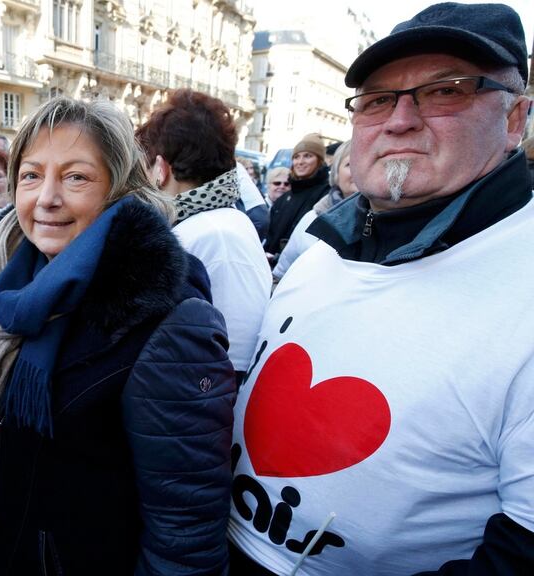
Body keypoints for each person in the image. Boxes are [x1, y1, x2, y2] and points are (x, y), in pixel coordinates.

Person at [228, 3, 534, 575]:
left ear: (515, 119)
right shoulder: (322, 246)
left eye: (446, 92)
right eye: (376, 100)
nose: (399, 120)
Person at [0, 97, 236, 574]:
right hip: (3, 541)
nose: (46, 198)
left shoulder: (165, 315)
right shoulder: (3, 276)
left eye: (76, 177)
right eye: (31, 175)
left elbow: (185, 521)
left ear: (119, 189)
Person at [137, 88, 271, 377]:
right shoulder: (220, 220)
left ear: (161, 169)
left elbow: (232, 358)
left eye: (144, 168)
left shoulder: (210, 232)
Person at [273, 140, 358, 280]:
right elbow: (282, 272)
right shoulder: (313, 216)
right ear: (336, 173)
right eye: (350, 165)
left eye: (307, 156)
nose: (300, 162)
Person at [263, 133, 330, 263]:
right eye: (296, 157)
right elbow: (270, 235)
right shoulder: (285, 197)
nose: (300, 162)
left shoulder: (326, 195)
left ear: (319, 160)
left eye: (308, 156)